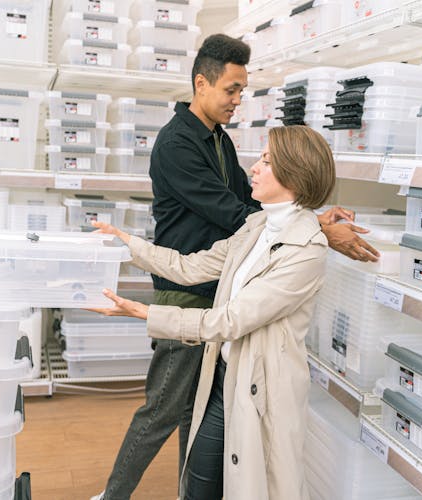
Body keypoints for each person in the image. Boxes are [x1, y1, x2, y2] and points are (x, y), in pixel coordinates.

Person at [92, 34, 378, 500]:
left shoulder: (219, 141)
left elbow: (259, 213)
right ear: (201, 84)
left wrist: (310, 220)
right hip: (189, 290)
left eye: (243, 90)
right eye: (231, 90)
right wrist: (316, 228)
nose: (238, 101)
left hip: (224, 289)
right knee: (162, 409)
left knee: (194, 409)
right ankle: (113, 495)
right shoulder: (176, 145)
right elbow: (237, 216)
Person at [91, 124, 337, 499]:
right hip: (225, 376)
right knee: (200, 482)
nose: (254, 168)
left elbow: (231, 320)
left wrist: (145, 313)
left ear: (294, 174)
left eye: (267, 161)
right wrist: (127, 244)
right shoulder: (257, 226)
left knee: (249, 486)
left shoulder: (306, 250)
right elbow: (192, 268)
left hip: (260, 391)